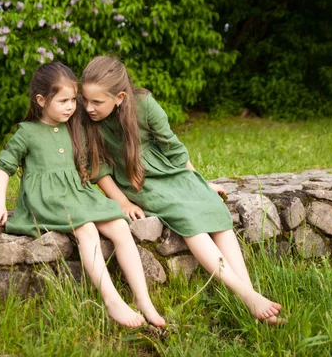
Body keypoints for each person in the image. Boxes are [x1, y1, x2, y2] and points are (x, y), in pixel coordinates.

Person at [80, 55, 284, 325]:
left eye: (97, 102)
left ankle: (250, 294)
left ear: (119, 97)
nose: (89, 107)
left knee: (213, 207)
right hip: (138, 182)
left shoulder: (143, 104)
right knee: (187, 218)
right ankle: (246, 296)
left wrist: (198, 181)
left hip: (170, 172)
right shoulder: (88, 120)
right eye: (85, 99)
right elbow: (99, 170)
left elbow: (172, 147)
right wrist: (122, 202)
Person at [0, 62, 166, 328]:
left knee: (119, 225)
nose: (71, 106)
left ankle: (143, 299)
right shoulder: (27, 132)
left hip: (76, 194)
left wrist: (120, 200)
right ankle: (112, 301)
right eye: (63, 101)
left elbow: (91, 169)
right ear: (41, 100)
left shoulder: (75, 128)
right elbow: (4, 167)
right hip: (47, 199)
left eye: (73, 100)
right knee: (87, 229)